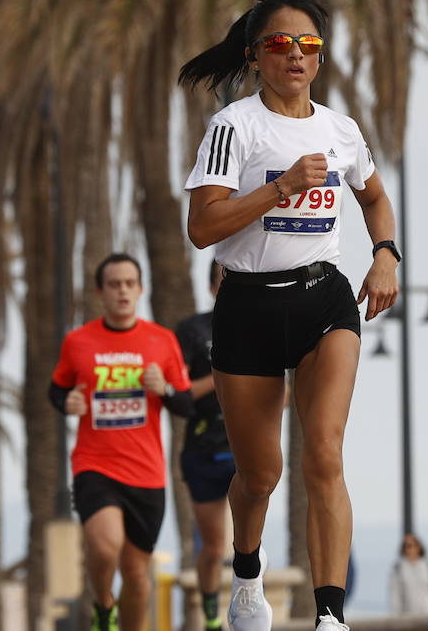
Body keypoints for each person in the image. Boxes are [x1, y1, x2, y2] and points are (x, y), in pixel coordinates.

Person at [180, 0, 400, 631]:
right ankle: (246, 574)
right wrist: (280, 188)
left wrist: (385, 254)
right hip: (248, 305)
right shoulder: (234, 127)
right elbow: (203, 226)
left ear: (321, 57)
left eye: (309, 45)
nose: (296, 55)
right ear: (255, 56)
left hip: (323, 298)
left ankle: (330, 616)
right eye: (281, 44)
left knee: (325, 454)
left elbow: (375, 198)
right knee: (259, 474)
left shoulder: (341, 130)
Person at [48, 253, 194, 631]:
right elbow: (56, 388)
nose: (123, 291)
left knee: (136, 575)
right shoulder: (78, 342)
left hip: (146, 474)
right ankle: (102, 604)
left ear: (141, 289)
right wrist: (68, 401)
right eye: (114, 284)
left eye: (130, 283)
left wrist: (162, 388)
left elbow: (185, 403)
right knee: (104, 544)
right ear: (101, 291)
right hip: (94, 465)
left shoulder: (161, 341)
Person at [175, 261, 234, 630]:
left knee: (248, 543)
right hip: (203, 448)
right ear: (212, 287)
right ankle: (212, 617)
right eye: (224, 279)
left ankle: (249, 606)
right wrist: (219, 376)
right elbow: (178, 395)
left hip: (246, 449)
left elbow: (284, 394)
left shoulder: (263, 327)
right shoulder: (191, 331)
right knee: (213, 547)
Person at [388, 533, 428, 616]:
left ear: (419, 547)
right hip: (408, 614)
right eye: (407, 546)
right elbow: (395, 595)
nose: (410, 549)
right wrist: (397, 615)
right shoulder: (398, 568)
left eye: (413, 545)